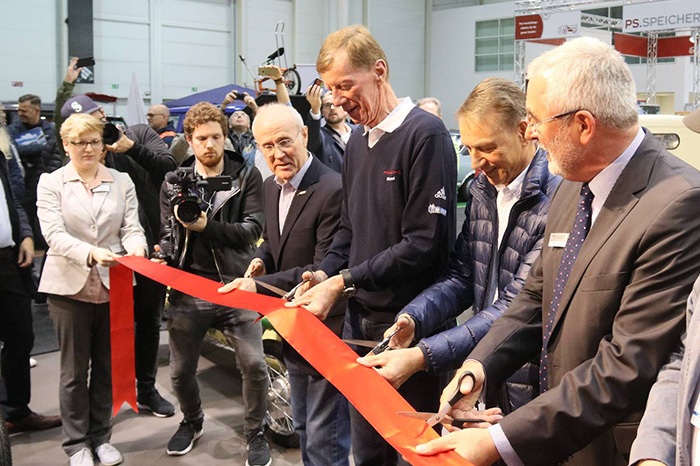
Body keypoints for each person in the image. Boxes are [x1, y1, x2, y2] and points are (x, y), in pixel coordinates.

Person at [413, 36, 700, 466]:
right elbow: (533, 299)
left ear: (583, 126)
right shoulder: (572, 188)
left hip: (606, 447)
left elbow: (624, 366)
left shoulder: (676, 203)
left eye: (534, 119)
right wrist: (479, 367)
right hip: (552, 434)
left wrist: (498, 441)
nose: (529, 132)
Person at [287, 24, 456, 466]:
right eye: (329, 89)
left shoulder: (427, 135)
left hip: (410, 327)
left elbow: (422, 244)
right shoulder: (358, 142)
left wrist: (343, 279)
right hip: (360, 326)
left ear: (379, 71)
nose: (337, 99)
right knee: (366, 452)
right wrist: (325, 272)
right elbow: (350, 228)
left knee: (414, 449)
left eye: (345, 85)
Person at [359, 78, 561, 414]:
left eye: (487, 147)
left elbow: (515, 304)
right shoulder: (484, 193)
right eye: (470, 150)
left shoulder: (557, 200)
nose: (477, 163)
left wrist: (422, 356)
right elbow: (462, 275)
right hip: (483, 366)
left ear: (525, 130)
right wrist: (414, 318)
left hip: (530, 374)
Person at [218, 103, 351, 466]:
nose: (277, 154)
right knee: (304, 426)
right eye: (267, 147)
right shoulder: (270, 186)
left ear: (304, 135)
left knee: (328, 438)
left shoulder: (332, 189)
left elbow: (321, 267)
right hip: (292, 328)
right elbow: (277, 241)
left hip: (327, 329)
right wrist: (262, 259)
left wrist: (257, 289)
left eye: (284, 142)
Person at [155, 102, 270, 466]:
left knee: (255, 364)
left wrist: (208, 227)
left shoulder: (245, 175)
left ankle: (256, 432)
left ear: (225, 137)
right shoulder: (174, 181)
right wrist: (163, 252)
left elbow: (252, 230)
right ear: (189, 140)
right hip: (188, 288)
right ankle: (192, 421)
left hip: (234, 285)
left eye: (216, 137)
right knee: (179, 371)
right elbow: (166, 233)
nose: (209, 145)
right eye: (202, 138)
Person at [36, 113, 148, 466]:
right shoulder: (50, 183)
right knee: (72, 372)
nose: (87, 148)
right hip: (69, 288)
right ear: (65, 145)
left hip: (115, 284)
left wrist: (137, 249)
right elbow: (53, 235)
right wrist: (90, 253)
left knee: (107, 367)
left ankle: (102, 437)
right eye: (79, 142)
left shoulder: (121, 180)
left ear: (103, 145)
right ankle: (76, 444)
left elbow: (132, 227)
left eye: (94, 142)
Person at [60, 93, 177, 418]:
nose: (94, 134)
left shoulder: (139, 133)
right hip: (104, 260)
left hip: (148, 247)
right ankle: (112, 394)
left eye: (99, 119)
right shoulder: (79, 158)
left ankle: (147, 389)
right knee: (112, 329)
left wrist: (129, 147)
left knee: (149, 322)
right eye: (84, 131)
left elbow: (169, 168)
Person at [0, 146, 61, 437]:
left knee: (20, 335)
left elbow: (10, 201)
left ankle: (16, 412)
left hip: (9, 258)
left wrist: (24, 233)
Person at [8, 94, 60, 249]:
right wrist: (40, 146)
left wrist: (25, 148)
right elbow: (13, 149)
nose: (20, 114)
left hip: (42, 179)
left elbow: (53, 147)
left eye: (24, 110)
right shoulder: (12, 129)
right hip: (22, 184)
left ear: (36, 110)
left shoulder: (50, 129)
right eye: (19, 110)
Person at [305, 84, 354, 173]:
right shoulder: (320, 136)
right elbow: (311, 142)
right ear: (322, 112)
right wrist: (315, 108)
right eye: (327, 105)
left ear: (346, 109)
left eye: (336, 104)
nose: (332, 108)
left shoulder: (359, 131)